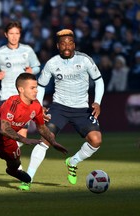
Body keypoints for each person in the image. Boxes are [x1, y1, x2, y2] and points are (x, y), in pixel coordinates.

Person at [18, 29, 105, 191]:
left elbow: (99, 81)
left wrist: (97, 102)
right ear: (58, 46)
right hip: (59, 108)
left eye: (69, 43)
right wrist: (39, 105)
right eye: (63, 43)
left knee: (96, 140)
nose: (66, 46)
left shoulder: (85, 60)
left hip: (81, 109)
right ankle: (27, 178)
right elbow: (41, 86)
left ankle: (73, 162)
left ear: (74, 45)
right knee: (45, 139)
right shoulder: (52, 63)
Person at [0, 20, 40, 149]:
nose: (14, 36)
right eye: (11, 33)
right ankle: (15, 164)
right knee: (9, 131)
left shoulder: (27, 50)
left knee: (23, 133)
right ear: (5, 34)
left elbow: (37, 67)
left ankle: (13, 162)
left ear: (20, 35)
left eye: (17, 33)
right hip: (7, 95)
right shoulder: (0, 52)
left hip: (24, 97)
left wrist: (33, 71)